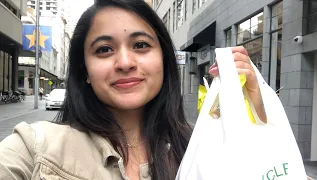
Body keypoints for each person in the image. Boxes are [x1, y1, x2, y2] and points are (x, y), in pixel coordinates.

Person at [0, 0, 266, 180]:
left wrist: (256, 109)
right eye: (104, 50)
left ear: (163, 58)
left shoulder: (200, 144)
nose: (125, 63)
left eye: (140, 45)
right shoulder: (36, 148)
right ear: (85, 70)